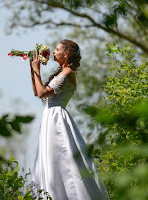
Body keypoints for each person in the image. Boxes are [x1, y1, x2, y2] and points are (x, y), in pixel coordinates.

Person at [29, 39, 110, 200]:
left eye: (57, 49)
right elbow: (36, 92)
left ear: (66, 54)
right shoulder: (61, 72)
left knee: (62, 159)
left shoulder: (68, 73)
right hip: (49, 118)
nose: (53, 51)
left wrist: (37, 69)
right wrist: (32, 70)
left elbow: (42, 93)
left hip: (57, 119)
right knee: (50, 159)